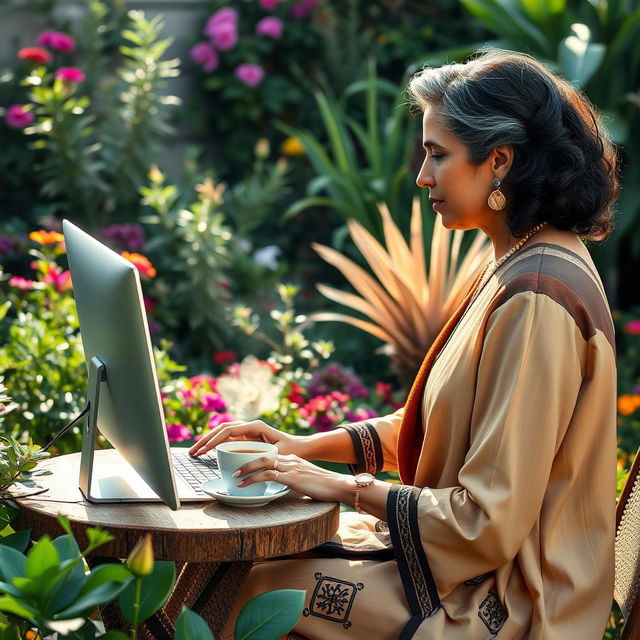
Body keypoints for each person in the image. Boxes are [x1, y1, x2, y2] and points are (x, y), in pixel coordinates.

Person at [190, 49, 619, 640]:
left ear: (499, 161)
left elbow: (487, 523)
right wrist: (303, 447)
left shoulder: (536, 298)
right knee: (238, 572)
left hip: (514, 606)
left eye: (438, 155)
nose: (422, 176)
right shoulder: (523, 265)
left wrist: (345, 488)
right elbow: (444, 428)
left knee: (254, 587)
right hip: (478, 572)